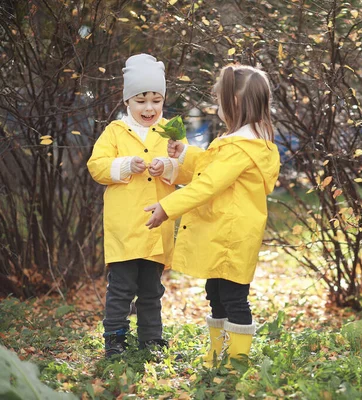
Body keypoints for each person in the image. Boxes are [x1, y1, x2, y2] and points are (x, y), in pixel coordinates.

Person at [144, 63, 280, 366]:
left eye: (219, 100)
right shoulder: (242, 144)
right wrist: (185, 154)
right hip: (225, 234)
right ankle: (219, 353)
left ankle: (237, 358)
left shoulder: (240, 148)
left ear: (234, 104)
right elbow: (210, 168)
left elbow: (207, 184)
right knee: (216, 294)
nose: (216, 105)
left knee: (233, 299)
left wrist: (167, 207)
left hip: (230, 237)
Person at [87, 54, 191, 358]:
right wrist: (124, 165)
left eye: (156, 100)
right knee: (120, 288)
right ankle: (115, 341)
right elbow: (97, 166)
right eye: (141, 100)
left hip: (157, 227)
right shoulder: (115, 132)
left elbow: (188, 168)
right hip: (124, 226)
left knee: (151, 289)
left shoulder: (172, 129)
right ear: (127, 101)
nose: (149, 108)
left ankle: (151, 340)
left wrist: (169, 166)